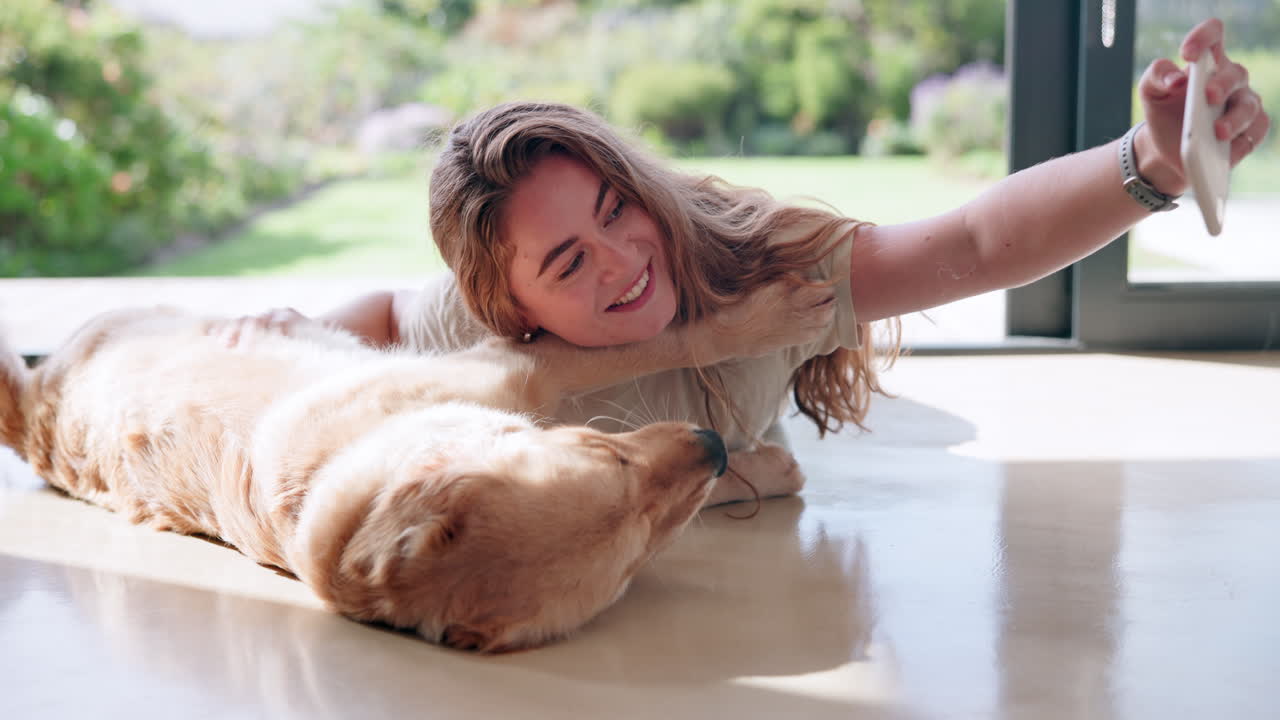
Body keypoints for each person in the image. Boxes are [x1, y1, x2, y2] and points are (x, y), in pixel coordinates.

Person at [220, 19, 1269, 505]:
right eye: (568, 261)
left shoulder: (767, 268)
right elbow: (386, 324)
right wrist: (288, 333)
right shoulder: (479, 328)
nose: (621, 259)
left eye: (614, 206)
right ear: (515, 306)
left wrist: (1147, 164)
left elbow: (967, 243)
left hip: (746, 352)